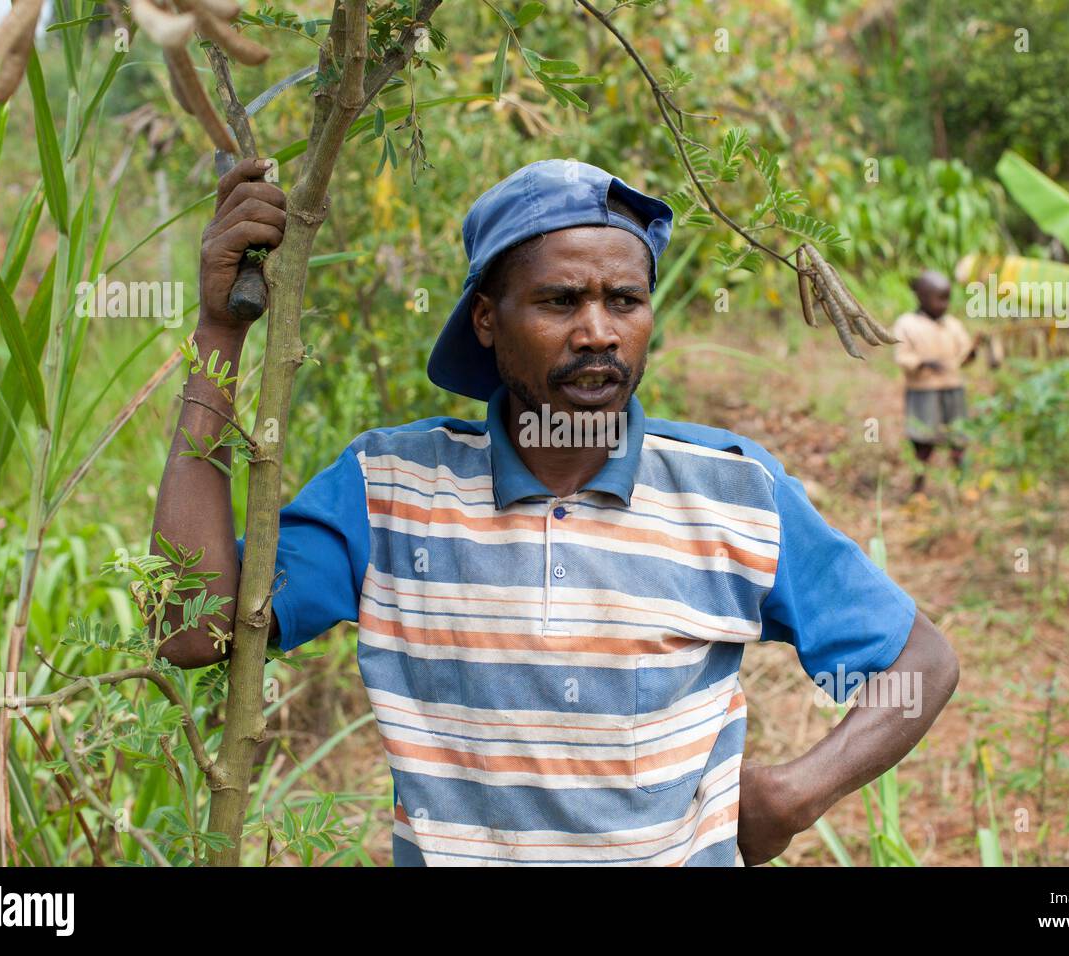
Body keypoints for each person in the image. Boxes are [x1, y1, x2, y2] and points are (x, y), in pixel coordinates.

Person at [153, 157, 959, 866]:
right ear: (485, 320)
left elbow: (919, 663)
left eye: (625, 300)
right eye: (560, 300)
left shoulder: (733, 491)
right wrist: (220, 332)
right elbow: (190, 631)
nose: (599, 333)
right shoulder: (387, 490)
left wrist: (792, 795)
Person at [892, 271, 976, 499]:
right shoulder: (907, 324)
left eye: (947, 298)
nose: (944, 304)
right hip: (923, 391)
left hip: (953, 388)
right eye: (939, 298)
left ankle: (962, 484)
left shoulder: (953, 325)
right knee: (922, 441)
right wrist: (923, 363)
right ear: (921, 297)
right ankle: (918, 490)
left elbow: (964, 352)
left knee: (958, 438)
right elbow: (902, 356)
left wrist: (973, 353)